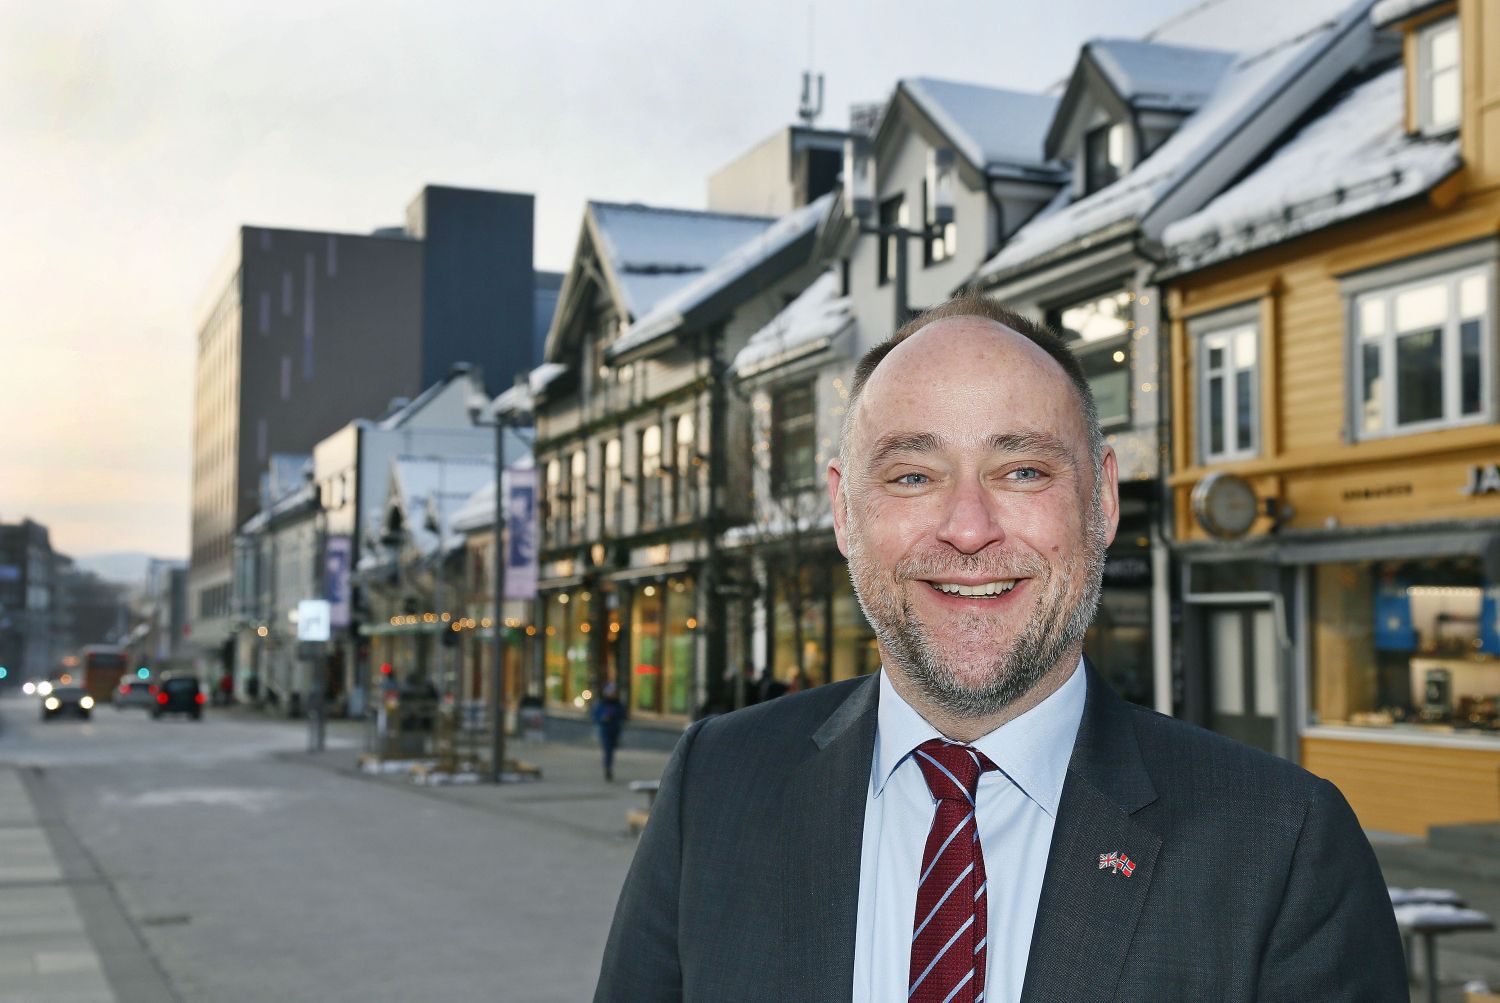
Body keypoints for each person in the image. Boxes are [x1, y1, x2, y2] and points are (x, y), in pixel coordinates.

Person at [593, 293, 1406, 1002]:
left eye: (1022, 470)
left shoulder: (1282, 843)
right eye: (913, 476)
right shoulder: (716, 786)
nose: (969, 527)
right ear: (844, 511)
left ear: (1102, 499)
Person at [593, 682, 625, 782]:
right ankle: (607, 768)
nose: (612, 694)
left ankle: (608, 766)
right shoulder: (601, 703)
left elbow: (623, 715)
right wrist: (603, 719)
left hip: (615, 730)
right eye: (611, 692)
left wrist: (615, 716)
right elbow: (595, 716)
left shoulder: (618, 704)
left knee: (611, 750)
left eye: (614, 693)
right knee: (608, 751)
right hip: (605, 730)